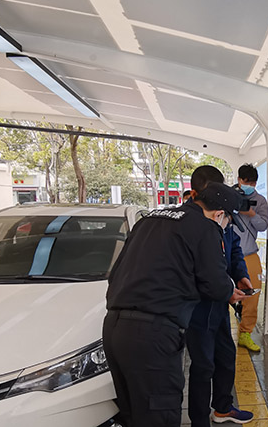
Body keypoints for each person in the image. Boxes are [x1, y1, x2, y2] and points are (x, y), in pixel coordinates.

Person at [103, 181, 249, 427]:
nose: (225, 227)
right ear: (220, 215)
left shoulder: (149, 219)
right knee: (160, 414)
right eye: (227, 222)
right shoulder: (205, 228)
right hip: (153, 334)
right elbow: (214, 283)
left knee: (133, 414)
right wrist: (230, 292)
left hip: (114, 328)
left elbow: (116, 271)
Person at [186, 165, 255, 425]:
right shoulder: (189, 225)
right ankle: (199, 420)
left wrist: (241, 275)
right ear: (196, 195)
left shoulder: (222, 217)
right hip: (198, 307)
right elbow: (193, 272)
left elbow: (234, 249)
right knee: (203, 366)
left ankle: (223, 407)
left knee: (226, 355)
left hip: (221, 301)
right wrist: (223, 290)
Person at [234, 164, 268, 352]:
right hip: (225, 255)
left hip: (248, 254)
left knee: (253, 293)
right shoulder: (228, 196)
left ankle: (245, 333)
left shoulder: (260, 201)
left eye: (253, 183)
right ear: (239, 180)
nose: (249, 185)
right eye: (246, 182)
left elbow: (263, 225)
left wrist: (251, 214)